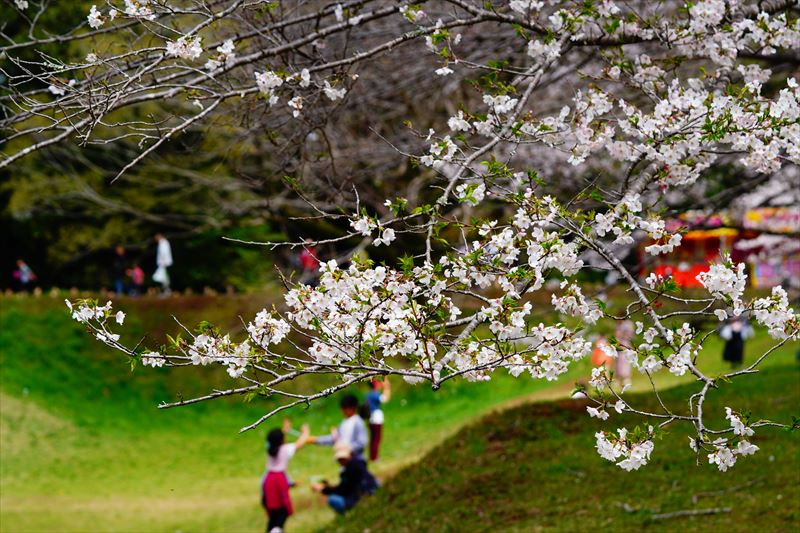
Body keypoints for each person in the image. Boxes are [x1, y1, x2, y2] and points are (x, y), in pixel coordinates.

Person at [261, 421, 309, 533]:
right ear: (282, 440)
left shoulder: (270, 449)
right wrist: (305, 432)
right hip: (279, 480)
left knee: (273, 511)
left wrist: (284, 430)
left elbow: (274, 438)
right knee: (283, 511)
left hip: (268, 480)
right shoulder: (285, 449)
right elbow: (300, 443)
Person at [310, 443, 368, 515]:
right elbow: (345, 486)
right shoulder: (358, 463)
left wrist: (322, 489)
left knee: (332, 499)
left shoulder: (351, 469)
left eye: (342, 459)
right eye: (339, 459)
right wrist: (328, 487)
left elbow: (343, 490)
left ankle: (348, 514)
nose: (340, 462)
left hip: (356, 498)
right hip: (360, 494)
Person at [310, 394, 368, 460]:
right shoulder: (343, 423)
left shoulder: (358, 423)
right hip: (345, 461)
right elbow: (334, 438)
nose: (342, 411)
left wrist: (346, 448)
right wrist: (316, 440)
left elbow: (362, 442)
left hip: (357, 461)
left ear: (353, 408)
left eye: (345, 408)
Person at [365, 378, 391, 461]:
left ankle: (372, 456)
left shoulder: (368, 394)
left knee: (373, 438)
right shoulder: (374, 394)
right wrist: (387, 388)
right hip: (376, 418)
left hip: (370, 419)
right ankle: (375, 457)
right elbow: (385, 399)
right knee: (376, 438)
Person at [614, 321, 634, 387]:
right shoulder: (618, 324)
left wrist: (622, 334)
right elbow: (616, 334)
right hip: (619, 345)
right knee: (618, 363)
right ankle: (618, 379)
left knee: (626, 362)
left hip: (625, 344)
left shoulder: (628, 324)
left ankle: (626, 379)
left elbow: (630, 334)